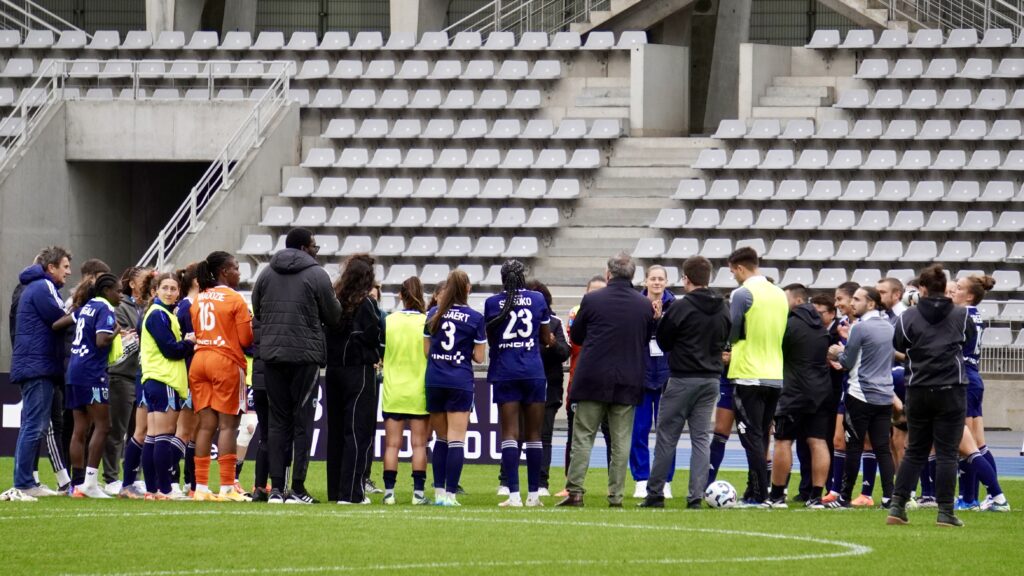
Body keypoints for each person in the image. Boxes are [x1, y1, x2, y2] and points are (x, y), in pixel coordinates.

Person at [252, 228, 342, 504]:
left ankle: (276, 489)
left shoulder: (266, 273)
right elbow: (333, 314)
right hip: (305, 357)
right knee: (302, 421)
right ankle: (298, 488)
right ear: (304, 247)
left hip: (272, 356)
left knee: (278, 422)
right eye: (314, 245)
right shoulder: (317, 274)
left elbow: (257, 309)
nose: (316, 250)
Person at [559, 252, 655, 508]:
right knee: (621, 440)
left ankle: (576, 492)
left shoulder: (592, 300)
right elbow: (645, 339)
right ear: (633, 274)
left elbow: (577, 336)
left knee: (583, 437)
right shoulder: (643, 304)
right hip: (628, 378)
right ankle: (616, 496)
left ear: (608, 273)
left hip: (592, 377)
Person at [888, 264, 975, 527]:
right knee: (947, 452)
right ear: (943, 286)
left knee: (915, 450)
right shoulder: (960, 315)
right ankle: (945, 512)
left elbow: (899, 345)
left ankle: (897, 506)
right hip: (951, 387)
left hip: (918, 388)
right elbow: (967, 341)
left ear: (922, 288)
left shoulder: (908, 317)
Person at [639, 256, 729, 509]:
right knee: (701, 438)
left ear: (686, 278)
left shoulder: (681, 306)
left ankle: (655, 493)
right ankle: (696, 496)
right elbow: (727, 335)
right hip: (711, 379)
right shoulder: (723, 306)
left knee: (667, 436)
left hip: (682, 377)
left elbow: (665, 342)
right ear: (709, 277)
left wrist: (658, 321)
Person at [2, 246, 75, 502]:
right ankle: (22, 484)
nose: (69, 271)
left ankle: (28, 482)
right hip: (37, 366)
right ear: (51, 267)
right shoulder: (43, 286)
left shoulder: (36, 286)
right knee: (34, 425)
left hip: (35, 364)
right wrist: (79, 310)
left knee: (35, 425)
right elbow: (59, 318)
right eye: (65, 266)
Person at [484, 260, 553, 508]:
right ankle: (534, 495)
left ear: (503, 279)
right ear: (522, 277)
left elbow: (492, 339)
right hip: (533, 371)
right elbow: (546, 338)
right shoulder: (537, 299)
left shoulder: (492, 303)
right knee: (534, 434)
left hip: (506, 371)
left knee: (510, 434)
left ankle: (513, 495)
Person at [725, 247, 788, 506]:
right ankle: (755, 490)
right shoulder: (780, 294)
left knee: (749, 436)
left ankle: (760, 494)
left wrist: (727, 347)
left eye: (732, 272)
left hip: (748, 372)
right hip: (774, 373)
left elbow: (734, 329)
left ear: (740, 268)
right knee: (762, 434)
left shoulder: (742, 293)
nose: (734, 277)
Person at [189, 251, 254, 502]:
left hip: (200, 360)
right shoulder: (234, 298)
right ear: (224, 272)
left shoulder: (200, 298)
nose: (239, 272)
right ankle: (227, 487)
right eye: (236, 268)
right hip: (225, 361)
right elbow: (246, 339)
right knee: (229, 426)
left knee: (206, 426)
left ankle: (202, 489)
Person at [763, 284, 833, 509]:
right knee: (818, 441)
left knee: (783, 440)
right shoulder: (821, 327)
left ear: (797, 301)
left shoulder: (788, 324)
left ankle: (776, 495)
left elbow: (775, 352)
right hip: (821, 391)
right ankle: (816, 496)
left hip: (793, 391)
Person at [826, 287, 896, 509]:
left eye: (857, 299)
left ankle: (844, 497)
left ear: (872, 303)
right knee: (882, 448)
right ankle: (889, 497)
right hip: (884, 395)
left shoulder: (860, 327)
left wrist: (837, 351)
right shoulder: (888, 326)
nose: (853, 303)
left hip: (860, 393)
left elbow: (846, 362)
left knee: (853, 446)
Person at [425, 270, 486, 506]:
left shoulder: (433, 313)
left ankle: (438, 492)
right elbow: (480, 357)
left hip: (435, 379)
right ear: (467, 289)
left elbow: (426, 351)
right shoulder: (475, 317)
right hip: (459, 380)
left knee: (440, 438)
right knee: (456, 440)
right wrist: (462, 352)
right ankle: (451, 494)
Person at [325, 254, 380, 505]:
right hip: (359, 371)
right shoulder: (366, 304)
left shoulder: (334, 300)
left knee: (336, 432)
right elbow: (373, 337)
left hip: (334, 371)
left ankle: (336, 490)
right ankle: (352, 493)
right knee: (358, 432)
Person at [951, 274, 1009, 512]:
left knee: (965, 444)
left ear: (970, 295)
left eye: (958, 288)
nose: (953, 291)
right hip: (971, 376)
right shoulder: (973, 314)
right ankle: (976, 497)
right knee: (977, 444)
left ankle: (985, 497)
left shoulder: (962, 314)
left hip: (964, 377)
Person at [139, 273, 194, 499]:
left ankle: (152, 489)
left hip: (154, 379)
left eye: (173, 288)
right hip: (164, 380)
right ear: (155, 291)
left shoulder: (164, 313)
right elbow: (171, 350)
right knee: (163, 435)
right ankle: (165, 488)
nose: (170, 292)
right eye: (165, 288)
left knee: (152, 436)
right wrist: (190, 343)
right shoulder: (158, 314)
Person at [66, 273, 121, 498]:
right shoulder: (105, 308)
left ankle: (78, 484)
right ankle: (90, 484)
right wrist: (117, 330)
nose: (120, 295)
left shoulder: (87, 306)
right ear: (107, 291)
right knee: (103, 425)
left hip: (74, 370)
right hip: (92, 373)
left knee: (80, 428)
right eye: (117, 291)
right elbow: (101, 340)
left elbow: (60, 323)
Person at [558, 275, 612, 498]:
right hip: (579, 381)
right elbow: (575, 342)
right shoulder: (575, 313)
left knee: (612, 437)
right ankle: (569, 484)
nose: (597, 296)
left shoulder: (615, 313)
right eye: (593, 292)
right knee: (574, 436)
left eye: (602, 291)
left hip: (609, 382)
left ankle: (613, 485)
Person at [380, 277, 430, 506]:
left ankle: (389, 493)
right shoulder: (427, 321)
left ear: (401, 295)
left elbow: (381, 354)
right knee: (419, 445)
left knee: (392, 444)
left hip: (394, 389)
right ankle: (418, 494)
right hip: (419, 390)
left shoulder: (389, 321)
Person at [631, 265, 676, 499]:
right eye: (653, 278)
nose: (657, 282)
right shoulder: (636, 304)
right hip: (640, 375)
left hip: (667, 376)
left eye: (661, 279)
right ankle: (641, 478)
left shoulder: (676, 306)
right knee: (638, 430)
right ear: (645, 281)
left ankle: (664, 480)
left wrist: (661, 321)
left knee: (666, 431)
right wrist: (651, 320)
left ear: (667, 282)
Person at [103, 266, 149, 493]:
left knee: (137, 430)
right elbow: (125, 334)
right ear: (132, 283)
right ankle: (111, 477)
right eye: (145, 280)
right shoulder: (121, 306)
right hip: (121, 374)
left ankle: (133, 476)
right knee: (116, 430)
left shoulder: (148, 306)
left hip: (140, 375)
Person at [526, 279, 570, 498]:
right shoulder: (517, 322)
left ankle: (541, 482)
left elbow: (565, 351)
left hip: (547, 387)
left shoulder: (554, 322)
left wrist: (551, 344)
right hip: (521, 382)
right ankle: (506, 482)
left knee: (544, 436)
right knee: (514, 435)